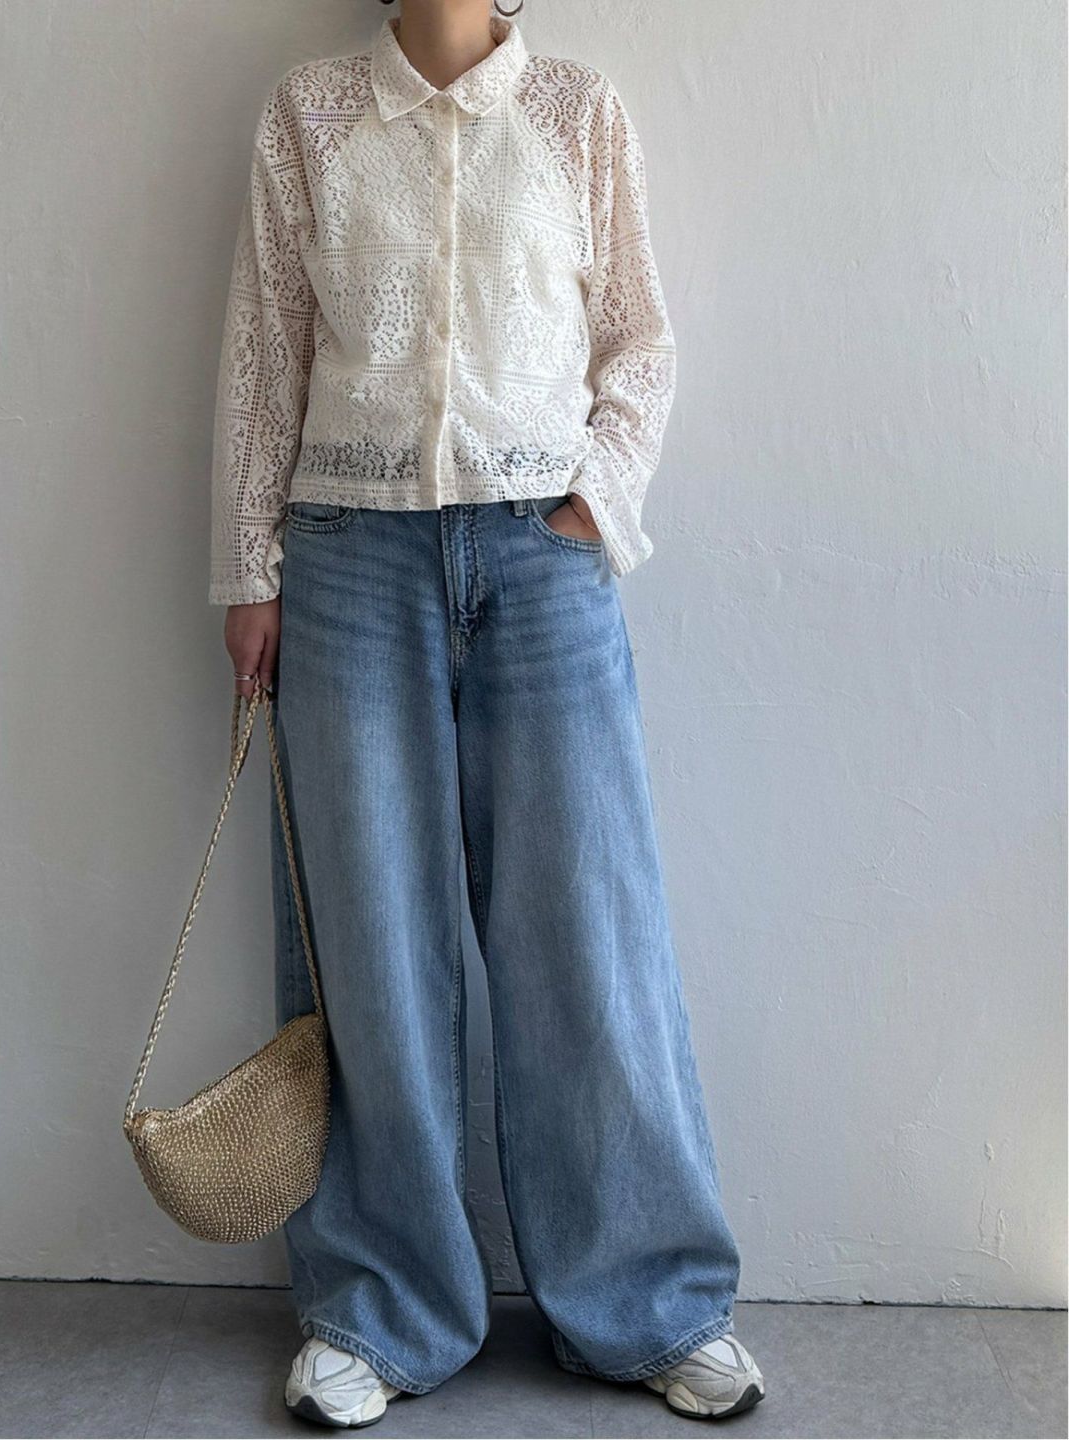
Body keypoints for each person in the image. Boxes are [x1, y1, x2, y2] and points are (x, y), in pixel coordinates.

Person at [209, 0, 765, 1426]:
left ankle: (649, 1302)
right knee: (371, 949)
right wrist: (249, 567)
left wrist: (594, 501)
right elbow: (267, 350)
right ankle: (379, 1308)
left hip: (545, 557)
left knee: (588, 931)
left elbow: (638, 343)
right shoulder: (310, 114)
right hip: (351, 563)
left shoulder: (577, 111)